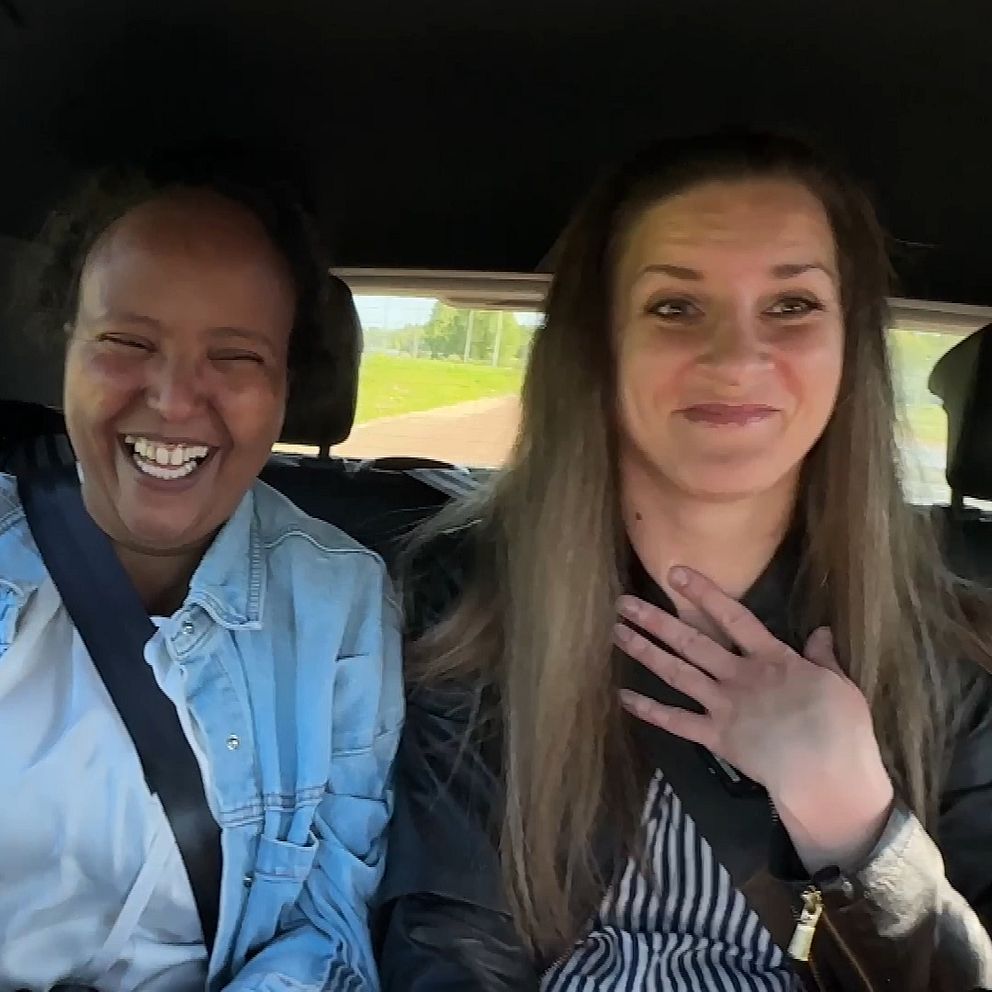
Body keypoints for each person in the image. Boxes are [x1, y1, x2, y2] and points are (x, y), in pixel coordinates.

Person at [376, 133, 992, 992]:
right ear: (600, 344)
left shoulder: (955, 655)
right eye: (674, 307)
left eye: (792, 306)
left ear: (849, 346)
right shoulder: (470, 603)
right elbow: (452, 949)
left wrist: (856, 825)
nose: (736, 359)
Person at [0, 163, 402, 990]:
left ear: (288, 384)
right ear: (67, 347)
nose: (176, 399)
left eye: (236, 355)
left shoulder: (342, 602)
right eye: (126, 342)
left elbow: (326, 922)